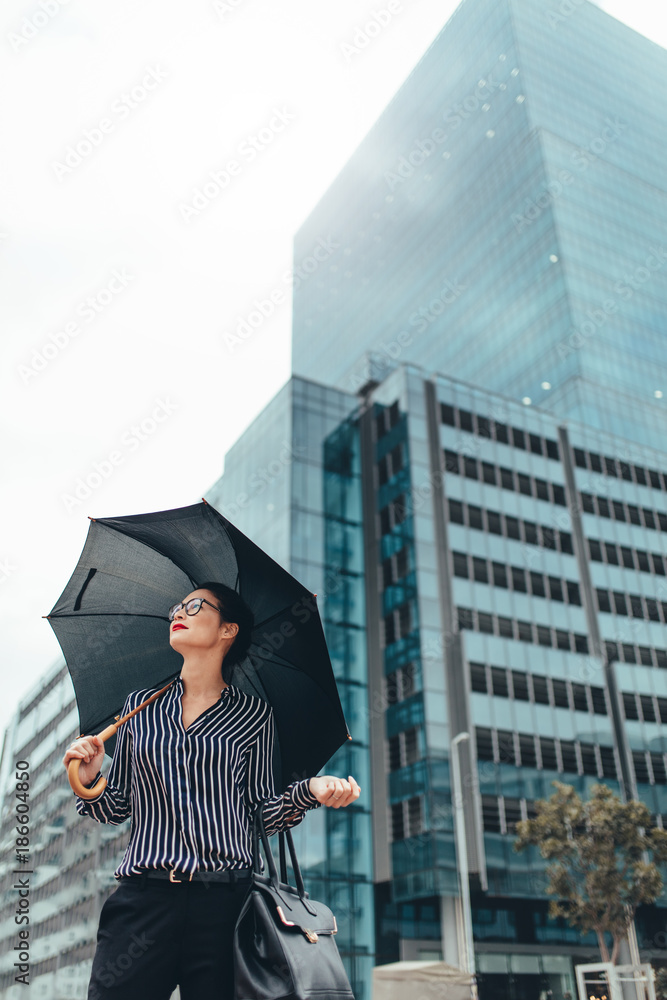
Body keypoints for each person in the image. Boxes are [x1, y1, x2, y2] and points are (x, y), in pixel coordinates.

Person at [62, 582, 360, 1000]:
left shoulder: (253, 716)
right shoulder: (138, 708)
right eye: (178, 606)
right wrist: (92, 777)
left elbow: (258, 813)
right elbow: (116, 807)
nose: (179, 612)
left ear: (228, 630)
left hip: (225, 906)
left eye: (196, 605)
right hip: (144, 902)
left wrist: (308, 791)